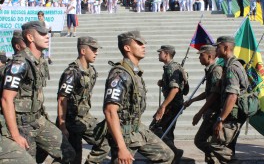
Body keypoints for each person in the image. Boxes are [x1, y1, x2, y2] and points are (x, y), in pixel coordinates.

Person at [1, 21, 76, 163]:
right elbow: (6, 99)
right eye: (42, 34)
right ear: (30, 37)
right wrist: (15, 135)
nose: (47, 36)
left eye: (46, 33)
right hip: (22, 124)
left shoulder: (39, 61)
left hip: (38, 120)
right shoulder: (20, 63)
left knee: (68, 154)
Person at [103, 31, 174, 164]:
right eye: (139, 43)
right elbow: (110, 111)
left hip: (137, 129)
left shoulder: (134, 72)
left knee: (166, 154)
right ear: (127, 48)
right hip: (124, 134)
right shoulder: (120, 74)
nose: (144, 46)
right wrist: (121, 147)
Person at [56, 36, 110, 164]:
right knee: (74, 157)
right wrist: (62, 126)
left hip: (85, 118)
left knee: (104, 144)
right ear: (83, 51)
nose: (96, 53)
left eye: (97, 50)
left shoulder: (91, 71)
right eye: (93, 49)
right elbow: (62, 100)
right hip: (70, 122)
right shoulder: (72, 72)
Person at [204, 36, 249, 163]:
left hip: (232, 116)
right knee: (227, 147)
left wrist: (220, 120)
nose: (216, 50)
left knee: (216, 144)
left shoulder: (232, 68)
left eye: (218, 47)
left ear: (226, 48)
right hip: (233, 114)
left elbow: (232, 95)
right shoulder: (230, 65)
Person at [184, 45, 222, 163]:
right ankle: (216, 158)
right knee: (208, 143)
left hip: (214, 113)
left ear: (210, 56)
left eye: (201, 55)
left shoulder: (216, 70)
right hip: (210, 112)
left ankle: (223, 155)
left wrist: (200, 113)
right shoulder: (210, 70)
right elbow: (207, 92)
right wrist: (192, 100)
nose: (199, 58)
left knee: (199, 140)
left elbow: (214, 95)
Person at [154, 45, 187, 164]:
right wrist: (163, 83)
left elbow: (175, 89)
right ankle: (171, 157)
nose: (158, 54)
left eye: (160, 53)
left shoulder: (171, 68)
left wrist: (163, 106)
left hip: (172, 105)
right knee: (167, 131)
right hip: (173, 104)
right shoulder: (170, 67)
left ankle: (173, 153)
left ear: (166, 54)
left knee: (156, 128)